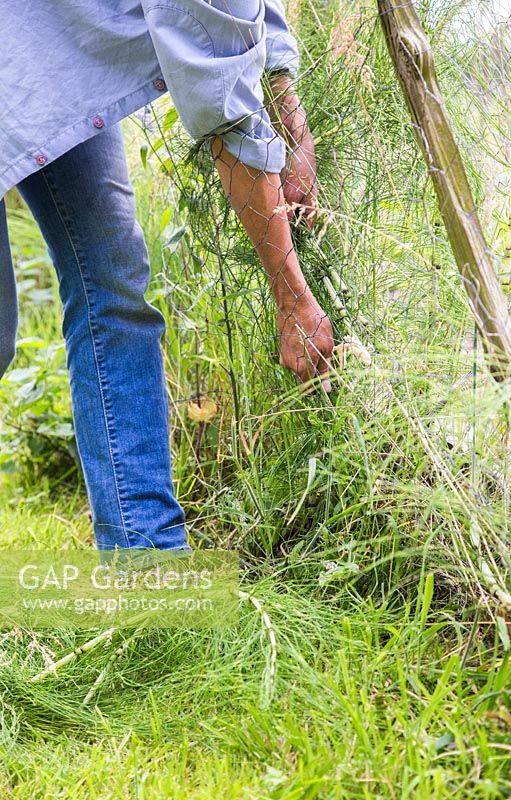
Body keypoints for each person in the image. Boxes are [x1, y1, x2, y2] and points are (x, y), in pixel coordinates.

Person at [0, 0, 334, 550]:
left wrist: (295, 129)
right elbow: (223, 102)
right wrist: (293, 297)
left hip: (52, 50)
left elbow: (249, 15)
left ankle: (146, 558)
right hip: (31, 38)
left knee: (111, 277)